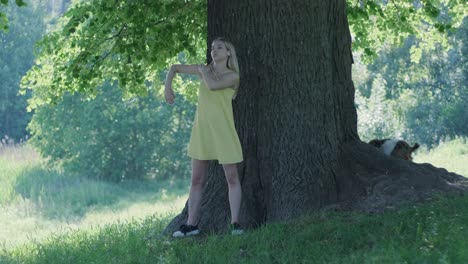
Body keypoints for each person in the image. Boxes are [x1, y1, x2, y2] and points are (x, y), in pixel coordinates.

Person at [164, 37, 244, 237]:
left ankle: (235, 223)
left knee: (232, 178)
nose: (214, 51)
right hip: (203, 131)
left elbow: (212, 86)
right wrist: (167, 86)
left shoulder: (233, 76)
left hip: (224, 131)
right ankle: (191, 224)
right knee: (196, 180)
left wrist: (204, 71)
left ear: (228, 53)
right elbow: (174, 67)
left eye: (219, 48)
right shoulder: (204, 70)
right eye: (212, 48)